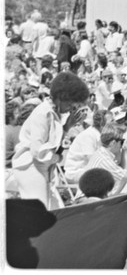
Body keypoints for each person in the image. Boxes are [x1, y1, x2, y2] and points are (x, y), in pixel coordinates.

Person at [11, 72, 90, 209]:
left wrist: (68, 125)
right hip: (30, 167)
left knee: (57, 208)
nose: (72, 107)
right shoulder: (43, 113)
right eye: (71, 102)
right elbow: (37, 152)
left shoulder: (53, 113)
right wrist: (56, 158)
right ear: (61, 98)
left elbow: (54, 142)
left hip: (43, 167)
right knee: (40, 214)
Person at [84, 122, 127, 196]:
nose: (122, 145)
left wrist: (124, 151)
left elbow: (124, 174)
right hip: (88, 201)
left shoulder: (102, 153)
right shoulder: (104, 159)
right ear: (113, 143)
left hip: (94, 198)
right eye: (121, 141)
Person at [64, 110, 110, 183]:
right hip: (76, 172)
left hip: (88, 170)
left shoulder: (99, 135)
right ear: (102, 124)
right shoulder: (88, 135)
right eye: (110, 123)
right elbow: (93, 161)